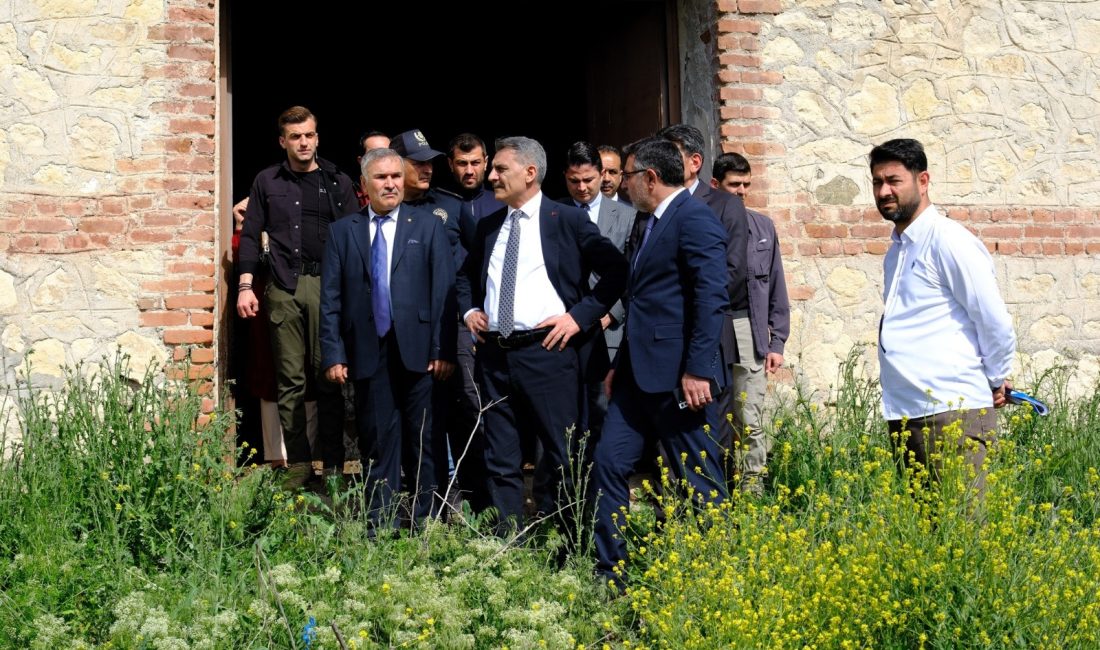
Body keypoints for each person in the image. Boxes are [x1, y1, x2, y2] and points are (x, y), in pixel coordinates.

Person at [456, 136, 628, 535]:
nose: (491, 175)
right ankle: (507, 546)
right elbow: (464, 277)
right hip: (496, 356)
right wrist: (469, 311)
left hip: (547, 353)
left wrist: (579, 318)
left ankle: (561, 543)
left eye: (500, 169)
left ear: (530, 173)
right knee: (501, 455)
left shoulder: (565, 219)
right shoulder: (489, 224)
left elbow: (617, 271)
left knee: (560, 453)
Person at [591, 137, 730, 590]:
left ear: (650, 178)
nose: (622, 185)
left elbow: (711, 300)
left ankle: (715, 577)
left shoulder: (695, 221)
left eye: (627, 176)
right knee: (609, 464)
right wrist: (620, 365)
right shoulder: (647, 223)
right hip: (635, 376)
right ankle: (611, 573)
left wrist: (699, 369)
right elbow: (645, 301)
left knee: (697, 477)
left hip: (680, 380)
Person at [319, 148, 455, 525]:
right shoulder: (343, 232)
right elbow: (331, 297)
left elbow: (444, 291)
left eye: (396, 176)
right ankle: (382, 526)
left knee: (424, 441)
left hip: (421, 353)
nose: (391, 183)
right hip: (367, 350)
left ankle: (427, 525)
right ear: (364, 184)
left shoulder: (427, 225)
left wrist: (443, 350)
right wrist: (333, 352)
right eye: (381, 177)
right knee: (378, 442)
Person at [871, 138, 1015, 491]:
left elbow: (992, 318)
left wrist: (996, 378)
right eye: (877, 182)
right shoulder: (898, 250)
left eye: (894, 180)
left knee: (965, 533)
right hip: (907, 412)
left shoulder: (949, 240)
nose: (884, 191)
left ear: (923, 181)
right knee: (929, 535)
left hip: (952, 412)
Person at [236, 106, 358, 486]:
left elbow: (356, 236)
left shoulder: (338, 180)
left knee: (330, 377)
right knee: (290, 381)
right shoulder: (267, 180)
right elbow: (252, 234)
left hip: (327, 286)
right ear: (282, 141)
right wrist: (244, 285)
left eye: (308, 135)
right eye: (295, 137)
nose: (303, 142)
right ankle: (300, 467)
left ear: (317, 137)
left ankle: (335, 467)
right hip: (284, 287)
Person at [710, 152, 790, 494]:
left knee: (750, 415)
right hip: (713, 328)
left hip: (747, 329)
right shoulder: (703, 223)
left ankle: (753, 490)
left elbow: (776, 285)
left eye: (746, 185)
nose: (741, 191)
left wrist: (777, 342)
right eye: (733, 185)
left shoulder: (762, 227)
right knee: (713, 417)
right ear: (715, 185)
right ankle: (714, 486)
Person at [559, 141, 636, 438]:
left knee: (604, 409)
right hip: (564, 326)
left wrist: (608, 314)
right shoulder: (554, 212)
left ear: (602, 174)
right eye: (573, 181)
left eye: (588, 180)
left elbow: (631, 273)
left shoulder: (628, 216)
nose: (581, 188)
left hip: (609, 327)